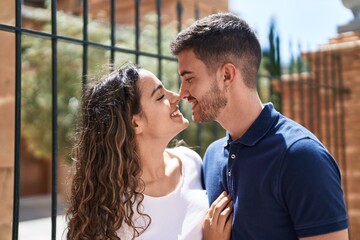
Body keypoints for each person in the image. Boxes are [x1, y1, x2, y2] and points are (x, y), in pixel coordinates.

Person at [171, 12, 349, 239]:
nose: (182, 92)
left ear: (226, 75)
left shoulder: (301, 157)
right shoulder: (213, 156)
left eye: (189, 78)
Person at [65, 65, 233, 240]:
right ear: (135, 123)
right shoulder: (113, 214)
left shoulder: (190, 161)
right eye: (160, 96)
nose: (176, 97)